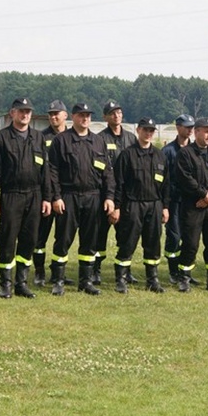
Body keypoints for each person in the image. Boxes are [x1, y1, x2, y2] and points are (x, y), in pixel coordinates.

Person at [48, 103, 115, 296]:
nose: (85, 118)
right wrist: (56, 197)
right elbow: (52, 172)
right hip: (69, 196)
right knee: (63, 239)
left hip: (93, 197)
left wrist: (109, 197)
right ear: (73, 117)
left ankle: (85, 281)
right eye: (81, 115)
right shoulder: (62, 141)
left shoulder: (98, 141)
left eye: (88, 115)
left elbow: (107, 172)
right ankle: (58, 280)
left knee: (90, 241)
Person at [0, 98, 49, 299]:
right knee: (7, 239)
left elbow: (46, 170)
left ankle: (21, 282)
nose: (25, 115)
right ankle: (6, 283)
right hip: (11, 195)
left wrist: (47, 198)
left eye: (28, 111)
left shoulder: (38, 138)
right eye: (21, 111)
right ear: (12, 113)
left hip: (35, 195)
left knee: (29, 240)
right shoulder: (2, 138)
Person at [110, 117, 169, 294]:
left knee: (153, 243)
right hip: (132, 205)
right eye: (145, 130)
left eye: (151, 131)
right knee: (128, 243)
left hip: (154, 205)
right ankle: (121, 279)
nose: (148, 133)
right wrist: (117, 207)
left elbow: (166, 184)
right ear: (138, 131)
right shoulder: (127, 155)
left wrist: (165, 207)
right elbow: (119, 183)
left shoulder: (160, 155)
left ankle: (152, 280)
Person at [174, 117, 208, 293]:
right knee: (190, 243)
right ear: (196, 132)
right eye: (205, 131)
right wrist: (203, 194)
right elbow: (184, 178)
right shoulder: (185, 154)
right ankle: (184, 278)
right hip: (192, 206)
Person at [94, 100, 136, 285]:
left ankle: (126, 271)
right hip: (104, 195)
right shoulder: (99, 139)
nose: (116, 115)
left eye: (118, 112)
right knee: (99, 235)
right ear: (105, 117)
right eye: (112, 113)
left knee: (126, 235)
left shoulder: (131, 138)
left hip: (126, 196)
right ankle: (95, 270)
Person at [33, 100, 70, 287]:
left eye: (57, 113)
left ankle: (58, 272)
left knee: (63, 235)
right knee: (40, 236)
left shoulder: (72, 137)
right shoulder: (41, 137)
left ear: (66, 115)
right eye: (51, 113)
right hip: (45, 193)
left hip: (67, 194)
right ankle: (39, 271)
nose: (53, 116)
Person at [162, 114, 195, 285]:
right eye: (186, 126)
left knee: (190, 237)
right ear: (177, 127)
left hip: (191, 202)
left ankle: (185, 271)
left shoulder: (195, 149)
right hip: (173, 201)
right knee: (174, 236)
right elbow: (162, 178)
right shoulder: (168, 151)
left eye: (191, 127)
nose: (190, 130)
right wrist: (164, 204)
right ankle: (173, 270)